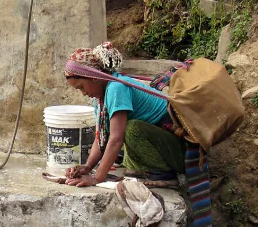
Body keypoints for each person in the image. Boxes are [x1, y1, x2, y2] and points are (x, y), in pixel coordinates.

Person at [62, 42, 185, 188]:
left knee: (130, 129)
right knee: (122, 135)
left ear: (93, 76)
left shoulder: (116, 88)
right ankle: (145, 168)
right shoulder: (101, 98)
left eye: (81, 87)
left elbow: (115, 139)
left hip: (181, 152)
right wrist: (87, 167)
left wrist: (97, 178)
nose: (83, 93)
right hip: (165, 147)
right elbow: (101, 136)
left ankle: (164, 175)